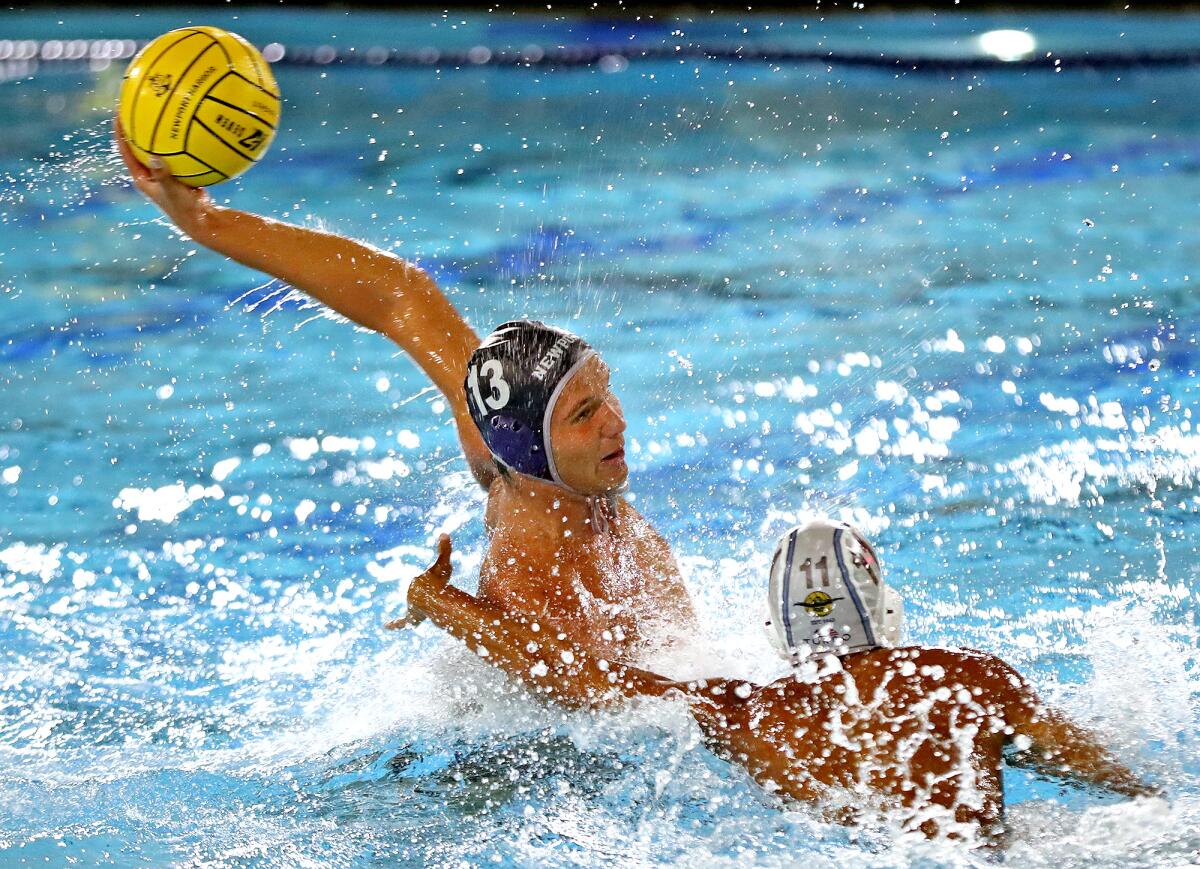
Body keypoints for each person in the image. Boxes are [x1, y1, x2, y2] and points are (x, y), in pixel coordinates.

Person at [114, 119, 697, 659]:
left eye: (607, 392)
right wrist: (444, 604)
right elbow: (600, 693)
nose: (616, 421)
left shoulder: (516, 455)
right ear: (533, 449)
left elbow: (399, 295)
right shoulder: (535, 574)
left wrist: (206, 222)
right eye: (586, 412)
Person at [388, 523, 1159, 842]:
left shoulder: (746, 711)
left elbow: (574, 673)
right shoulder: (966, 681)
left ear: (775, 633)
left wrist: (437, 598)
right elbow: (1125, 788)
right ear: (886, 610)